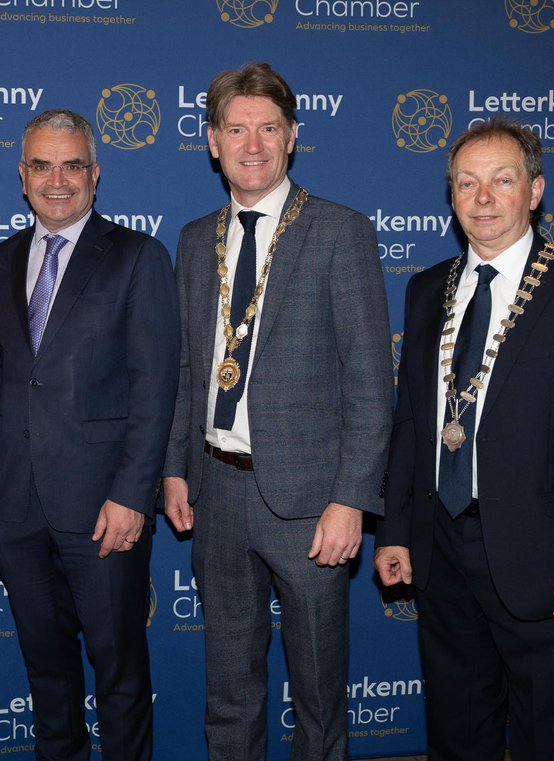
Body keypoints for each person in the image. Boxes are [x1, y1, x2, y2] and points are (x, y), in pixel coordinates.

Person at [374, 119, 554, 761]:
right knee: (456, 733)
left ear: (535, 190)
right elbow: (411, 420)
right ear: (453, 197)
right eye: (467, 183)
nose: (483, 197)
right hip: (441, 555)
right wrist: (396, 530)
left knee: (547, 740)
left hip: (544, 564)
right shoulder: (424, 289)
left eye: (501, 180)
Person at [162, 63, 392, 760]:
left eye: (268, 128)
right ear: (211, 141)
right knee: (229, 689)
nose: (252, 143)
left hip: (311, 502)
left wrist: (352, 498)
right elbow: (186, 371)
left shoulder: (338, 232)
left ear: (293, 137)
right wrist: (174, 469)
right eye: (236, 129)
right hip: (217, 493)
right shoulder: (195, 239)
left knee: (320, 693)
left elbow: (371, 382)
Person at [0, 109, 179, 761]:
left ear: (95, 174)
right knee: (46, 672)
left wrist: (131, 493)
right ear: (22, 176)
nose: (57, 180)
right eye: (42, 165)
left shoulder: (137, 256)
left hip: (103, 508)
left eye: (71, 165)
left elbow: (156, 388)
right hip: (21, 506)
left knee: (119, 674)